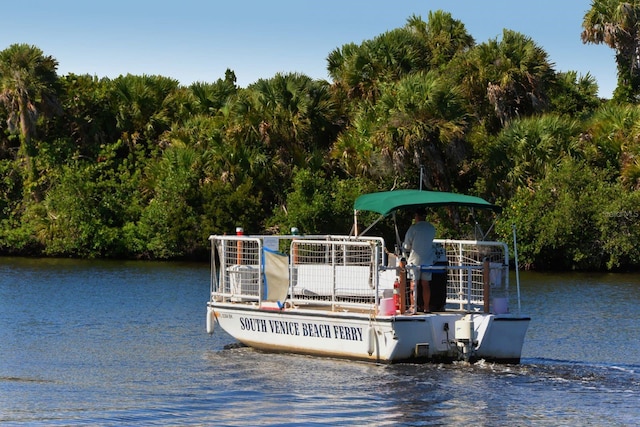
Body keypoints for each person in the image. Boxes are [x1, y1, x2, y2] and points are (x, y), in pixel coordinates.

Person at [403, 208, 436, 313]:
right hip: (428, 260)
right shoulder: (431, 228)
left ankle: (413, 306)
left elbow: (407, 246)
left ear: (417, 216)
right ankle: (426, 307)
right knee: (426, 284)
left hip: (414, 261)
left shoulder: (413, 228)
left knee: (414, 284)